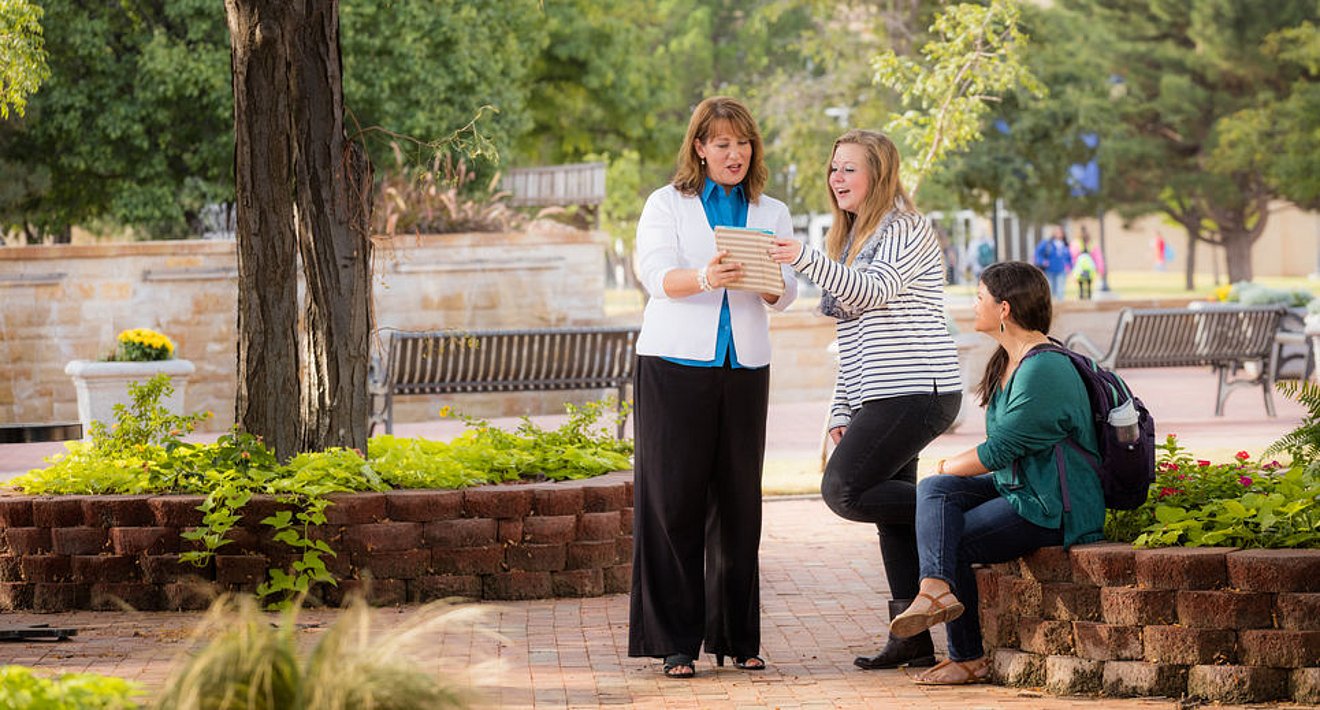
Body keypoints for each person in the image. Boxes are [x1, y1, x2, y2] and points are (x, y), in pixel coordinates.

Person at [768, 129, 962, 671]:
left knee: (844, 491)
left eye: (850, 168)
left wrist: (804, 258)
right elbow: (851, 338)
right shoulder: (855, 238)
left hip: (916, 389)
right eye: (834, 168)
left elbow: (869, 291)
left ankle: (957, 506)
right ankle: (912, 638)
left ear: (878, 174)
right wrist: (840, 411)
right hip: (880, 394)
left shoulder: (905, 229)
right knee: (890, 511)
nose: (837, 178)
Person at [628, 96, 798, 679]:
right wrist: (707, 275)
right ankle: (676, 641)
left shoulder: (770, 210)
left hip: (745, 366)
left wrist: (774, 284)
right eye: (722, 143)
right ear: (699, 147)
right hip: (674, 365)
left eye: (743, 143)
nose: (735, 154)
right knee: (673, 500)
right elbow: (653, 275)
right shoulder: (667, 204)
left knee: (740, 504)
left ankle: (738, 636)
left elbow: (789, 289)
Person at [886, 261, 1105, 685]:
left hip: (1053, 504)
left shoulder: (1044, 369)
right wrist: (945, 472)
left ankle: (965, 654)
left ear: (1004, 308)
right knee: (935, 489)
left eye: (979, 297)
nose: (973, 305)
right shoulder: (1011, 361)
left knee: (954, 539)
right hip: (1023, 485)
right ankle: (935, 590)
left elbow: (1001, 450)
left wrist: (949, 462)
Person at [1033, 227, 1073, 299]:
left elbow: (1069, 258)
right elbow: (1037, 254)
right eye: (1056, 232)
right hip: (1049, 270)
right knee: (1050, 289)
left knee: (1060, 290)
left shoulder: (1065, 245)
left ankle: (1060, 305)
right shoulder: (1047, 244)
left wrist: (1069, 267)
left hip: (1061, 270)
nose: (1059, 234)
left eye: (1060, 232)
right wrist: (1043, 262)